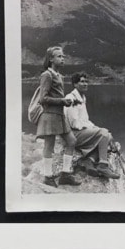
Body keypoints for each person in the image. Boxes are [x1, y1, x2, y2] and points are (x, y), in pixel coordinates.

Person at [34, 46, 81, 187]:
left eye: (63, 56)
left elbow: (55, 96)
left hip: (59, 116)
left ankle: (65, 175)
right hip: (49, 116)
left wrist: (68, 101)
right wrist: (61, 101)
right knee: (49, 146)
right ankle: (47, 177)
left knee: (72, 141)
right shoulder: (47, 75)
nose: (63, 58)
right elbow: (43, 99)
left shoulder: (59, 75)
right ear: (51, 59)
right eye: (59, 56)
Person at [63, 72, 120, 179]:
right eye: (82, 81)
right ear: (75, 84)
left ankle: (88, 161)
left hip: (81, 132)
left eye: (86, 81)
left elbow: (86, 120)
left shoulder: (82, 98)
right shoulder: (70, 98)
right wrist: (96, 130)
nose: (85, 84)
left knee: (107, 135)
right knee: (103, 134)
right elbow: (74, 123)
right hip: (73, 134)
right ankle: (103, 165)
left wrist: (96, 129)